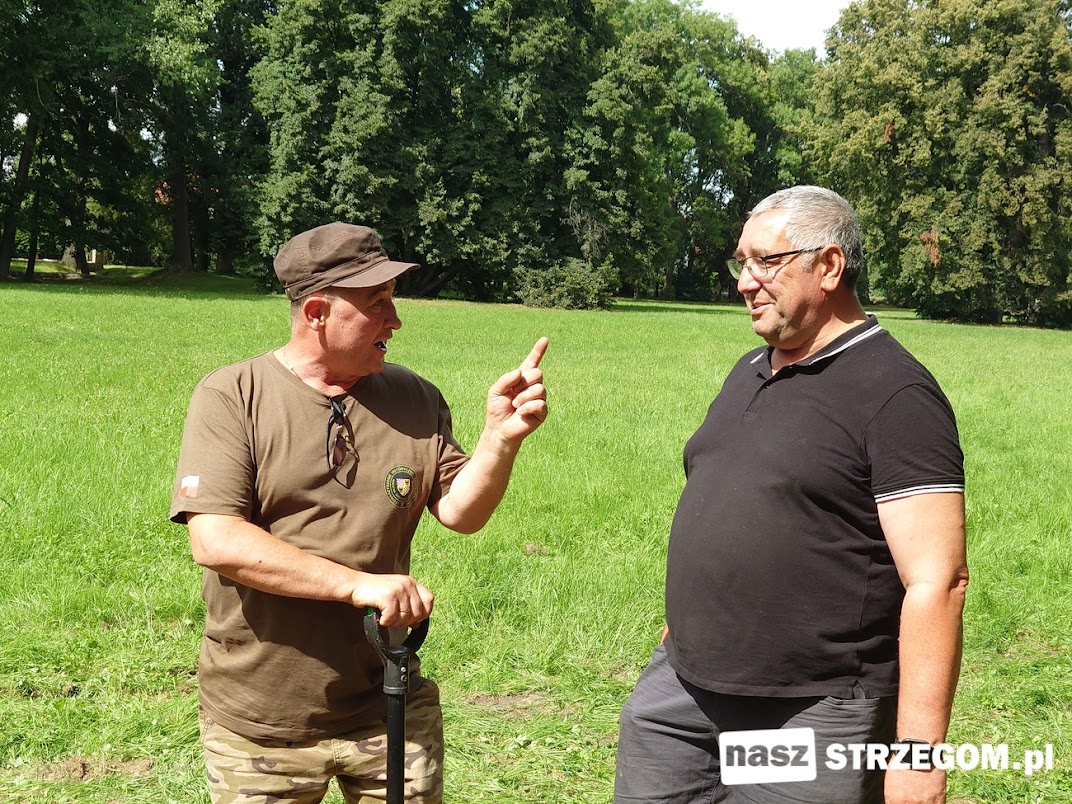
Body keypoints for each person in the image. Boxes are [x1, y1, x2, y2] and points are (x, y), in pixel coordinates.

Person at [169, 222, 548, 803]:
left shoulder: (415, 397)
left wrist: (500, 438)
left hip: (389, 699)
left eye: (392, 300)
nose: (395, 321)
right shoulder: (232, 395)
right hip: (263, 718)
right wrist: (357, 585)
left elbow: (461, 512)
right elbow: (216, 540)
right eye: (377, 304)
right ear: (316, 312)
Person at [614, 186, 968, 804]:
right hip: (682, 694)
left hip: (808, 712)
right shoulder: (752, 367)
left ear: (828, 266)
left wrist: (917, 756)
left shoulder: (896, 395)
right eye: (741, 262)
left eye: (765, 261)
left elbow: (939, 581)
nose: (744, 282)